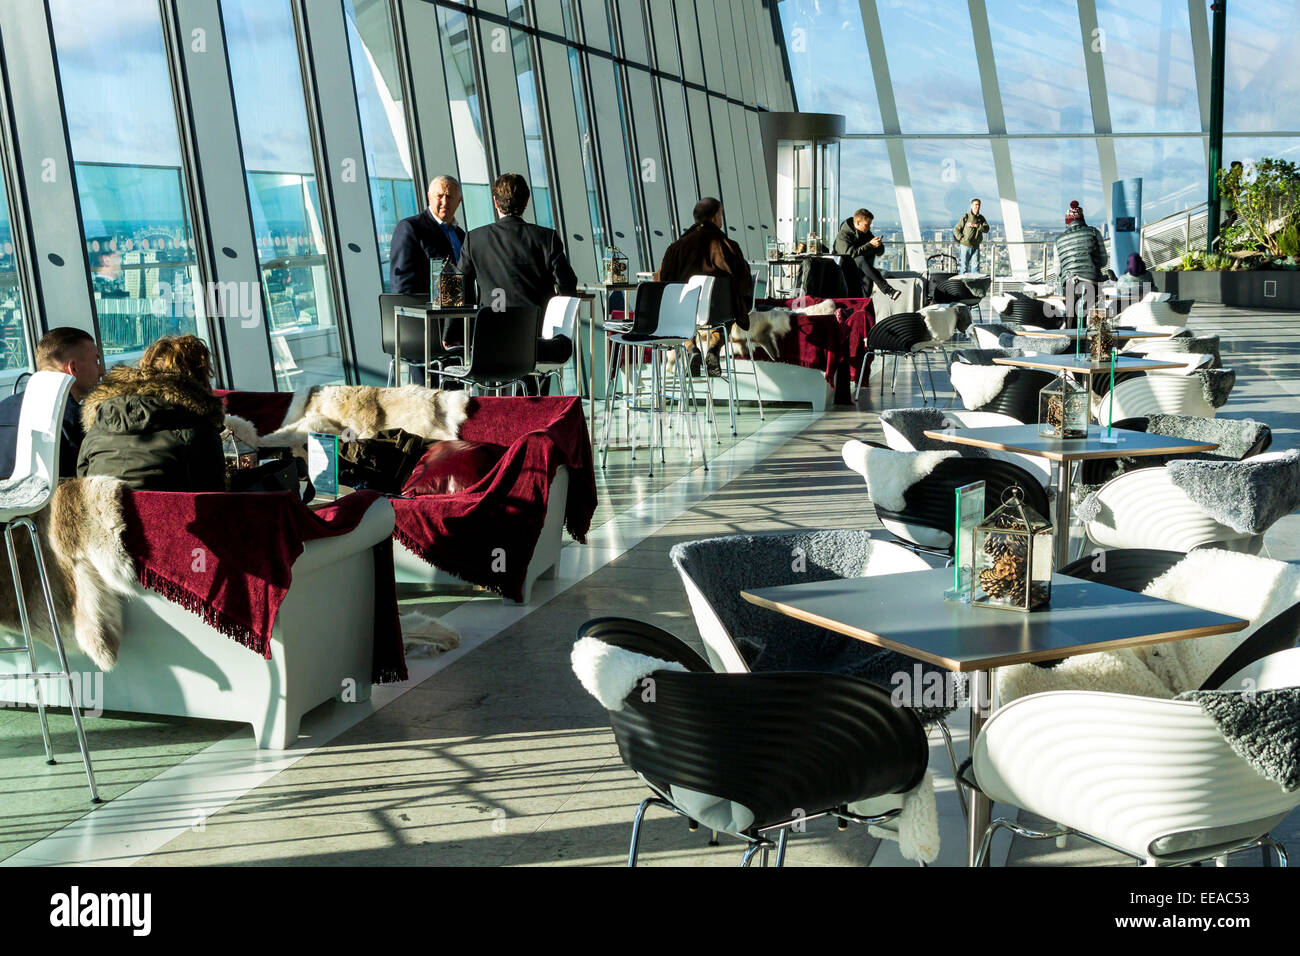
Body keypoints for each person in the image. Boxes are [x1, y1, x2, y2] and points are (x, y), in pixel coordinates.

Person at [457, 173, 578, 394]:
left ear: (495, 201)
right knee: (534, 387)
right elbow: (568, 284)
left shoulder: (475, 239)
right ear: (526, 202)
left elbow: (458, 288)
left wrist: (450, 335)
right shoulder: (546, 238)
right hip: (534, 342)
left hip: (490, 344)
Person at [77, 334, 226, 491]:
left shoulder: (99, 424)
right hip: (170, 515)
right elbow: (213, 494)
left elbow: (83, 481)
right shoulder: (198, 429)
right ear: (199, 379)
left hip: (104, 514)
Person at [655, 197, 754, 376]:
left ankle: (691, 348)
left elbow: (662, 281)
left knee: (681, 311)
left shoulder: (677, 248)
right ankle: (714, 349)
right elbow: (745, 284)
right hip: (721, 311)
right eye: (721, 214)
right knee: (733, 306)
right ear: (716, 217)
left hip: (686, 311)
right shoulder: (729, 247)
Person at [0, 327, 103, 479]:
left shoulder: (4, 407)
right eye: (96, 361)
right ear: (72, 368)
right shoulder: (79, 420)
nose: (102, 371)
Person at [388, 175, 467, 298]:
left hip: (463, 314)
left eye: (450, 196)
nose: (445, 202)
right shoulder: (411, 228)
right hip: (429, 314)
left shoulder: (461, 235)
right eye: (439, 196)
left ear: (459, 200)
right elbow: (402, 285)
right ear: (429, 197)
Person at [1053, 200, 1108, 321]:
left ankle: (1071, 338)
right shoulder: (1094, 232)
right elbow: (1104, 261)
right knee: (1092, 320)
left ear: (1067, 222)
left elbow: (1057, 270)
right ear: (1082, 219)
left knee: (1071, 320)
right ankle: (1090, 339)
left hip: (1070, 284)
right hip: (1091, 282)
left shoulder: (1058, 240)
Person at [833, 208, 900, 300]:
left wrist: (878, 245)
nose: (869, 227)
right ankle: (887, 289)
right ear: (857, 222)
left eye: (869, 225)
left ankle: (865, 304)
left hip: (862, 267)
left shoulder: (866, 233)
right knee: (861, 260)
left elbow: (880, 253)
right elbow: (850, 255)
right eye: (867, 225)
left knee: (866, 270)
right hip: (843, 267)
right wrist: (870, 245)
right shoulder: (843, 235)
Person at [953, 198, 989, 273]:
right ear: (971, 206)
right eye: (976, 205)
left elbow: (986, 229)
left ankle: (974, 284)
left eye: (979, 205)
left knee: (976, 268)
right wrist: (962, 239)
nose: (977, 207)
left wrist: (976, 225)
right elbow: (956, 229)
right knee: (964, 267)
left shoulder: (981, 218)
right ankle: (962, 284)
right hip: (965, 245)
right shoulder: (966, 217)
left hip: (976, 245)